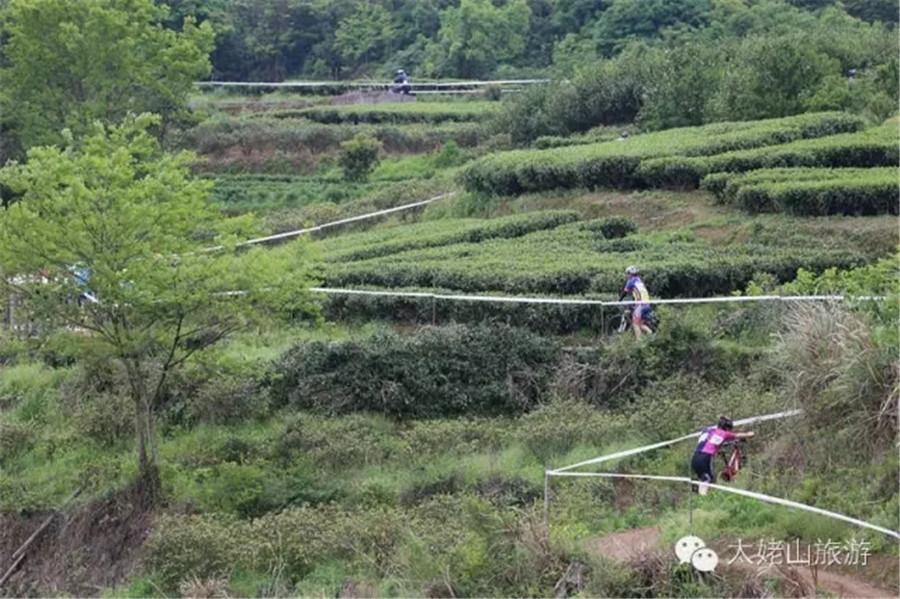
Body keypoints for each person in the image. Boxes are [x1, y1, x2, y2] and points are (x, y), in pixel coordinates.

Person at [691, 416, 755, 494]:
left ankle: (700, 499)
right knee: (708, 479)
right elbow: (738, 435)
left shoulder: (707, 430)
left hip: (695, 456)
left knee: (704, 478)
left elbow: (710, 441)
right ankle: (704, 500)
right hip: (706, 457)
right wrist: (750, 434)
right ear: (726, 427)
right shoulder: (724, 434)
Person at [619, 266, 653, 340]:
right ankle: (651, 334)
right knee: (640, 324)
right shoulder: (639, 280)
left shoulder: (631, 281)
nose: (627, 276)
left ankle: (639, 342)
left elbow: (624, 292)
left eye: (627, 274)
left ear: (630, 274)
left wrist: (619, 300)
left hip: (641, 305)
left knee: (635, 323)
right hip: (647, 304)